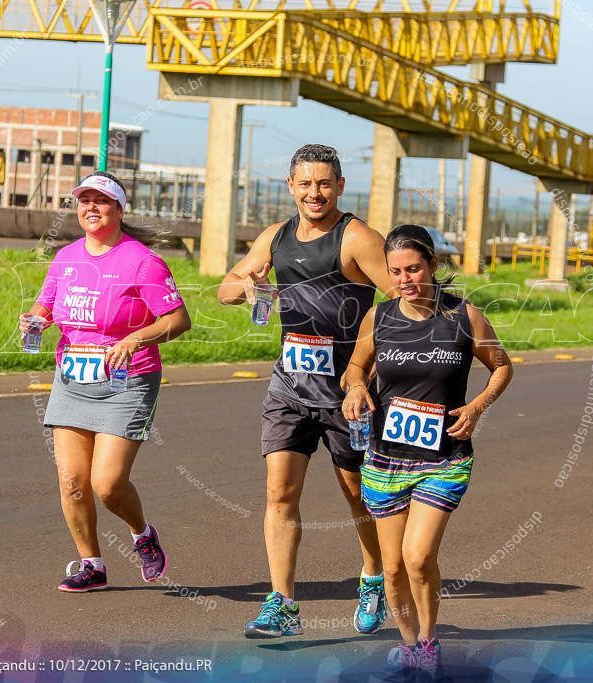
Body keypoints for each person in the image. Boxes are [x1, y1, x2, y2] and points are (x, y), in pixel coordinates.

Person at [218, 144, 396, 638]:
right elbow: (226, 288)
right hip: (290, 387)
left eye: (324, 183)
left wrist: (362, 373)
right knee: (280, 492)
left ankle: (374, 578)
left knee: (359, 495)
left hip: (349, 394)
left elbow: (400, 306)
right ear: (291, 188)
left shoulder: (357, 238)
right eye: (304, 184)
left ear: (340, 187)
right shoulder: (275, 237)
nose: (313, 193)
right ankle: (282, 604)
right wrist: (247, 284)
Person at [342, 224, 513, 677]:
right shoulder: (378, 318)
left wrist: (477, 406)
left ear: (433, 266)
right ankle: (408, 644)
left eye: (413, 269)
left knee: (418, 558)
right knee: (394, 569)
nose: (404, 280)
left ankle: (430, 639)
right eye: (396, 271)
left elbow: (501, 367)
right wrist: (356, 388)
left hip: (444, 458)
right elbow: (356, 367)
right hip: (383, 458)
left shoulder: (465, 317)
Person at [20, 171, 192, 592]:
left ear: (119, 208)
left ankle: (142, 535)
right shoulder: (66, 258)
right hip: (73, 378)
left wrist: (135, 337)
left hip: (127, 381)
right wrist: (36, 321)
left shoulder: (142, 261)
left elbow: (179, 320)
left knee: (108, 484)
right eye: (84, 201)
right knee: (72, 482)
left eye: (101, 201)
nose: (91, 208)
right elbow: (46, 305)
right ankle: (91, 565)